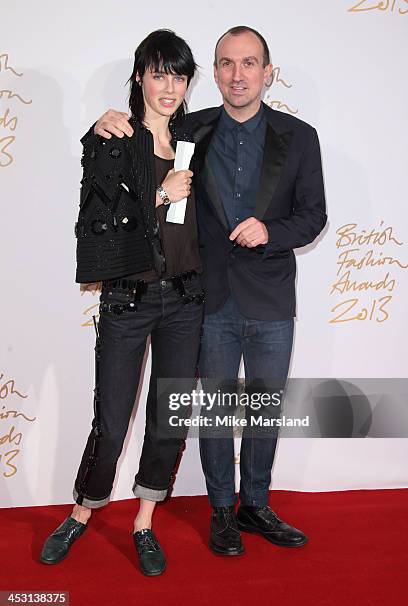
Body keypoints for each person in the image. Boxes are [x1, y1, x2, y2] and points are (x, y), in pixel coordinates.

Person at [91, 26, 327, 556]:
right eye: (225, 63)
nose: (237, 74)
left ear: (268, 73)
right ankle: (222, 509)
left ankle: (256, 505)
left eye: (249, 63)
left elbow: (314, 216)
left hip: (270, 297)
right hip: (206, 297)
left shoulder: (301, 137)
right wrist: (109, 118)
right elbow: (142, 134)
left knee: (265, 408)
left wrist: (272, 231)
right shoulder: (189, 131)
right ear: (214, 74)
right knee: (218, 409)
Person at [40, 29, 204, 576]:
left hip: (184, 301)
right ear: (139, 76)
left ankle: (144, 520)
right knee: (111, 422)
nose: (169, 86)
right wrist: (161, 195)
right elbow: (98, 223)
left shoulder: (194, 139)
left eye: (179, 76)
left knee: (168, 420)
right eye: (159, 73)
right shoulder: (114, 137)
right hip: (128, 301)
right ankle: (82, 513)